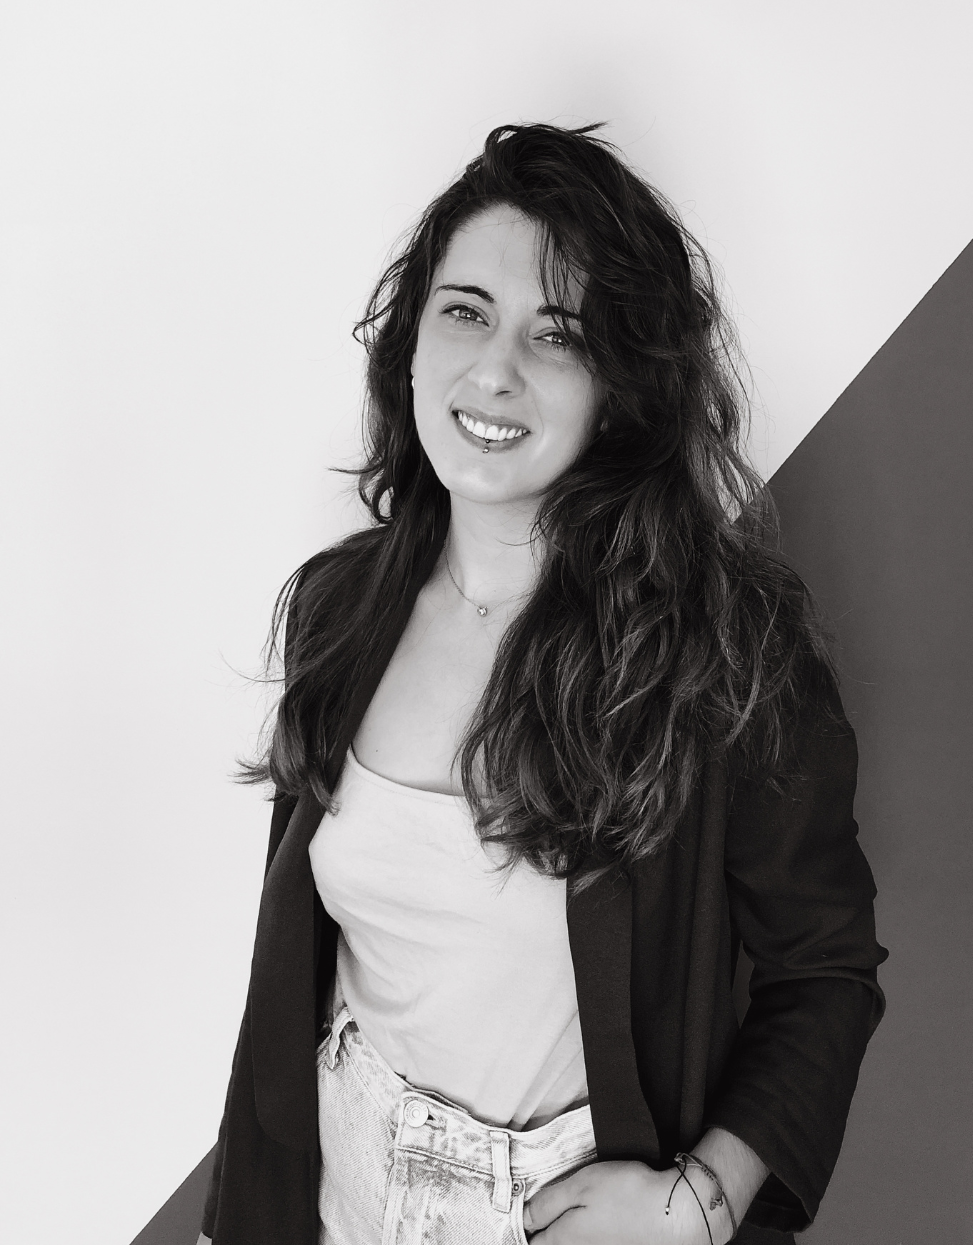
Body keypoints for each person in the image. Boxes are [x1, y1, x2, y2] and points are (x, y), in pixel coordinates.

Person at [198, 123, 886, 1245]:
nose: (496, 369)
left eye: (557, 334)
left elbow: (829, 971)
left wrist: (700, 1206)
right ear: (411, 341)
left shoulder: (720, 653)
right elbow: (303, 980)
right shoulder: (341, 606)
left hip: (560, 1207)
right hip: (341, 1182)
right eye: (465, 310)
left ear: (621, 389)